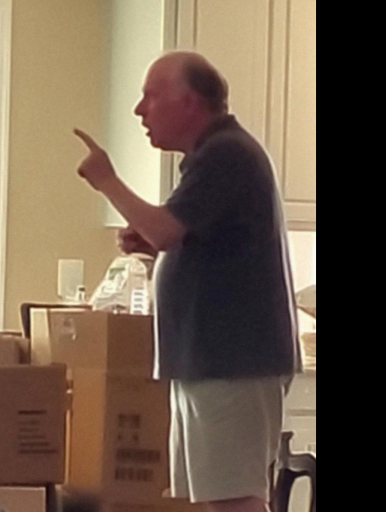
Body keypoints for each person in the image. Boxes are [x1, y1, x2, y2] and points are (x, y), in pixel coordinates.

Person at [73, 52, 300, 512]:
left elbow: (165, 230)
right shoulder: (216, 155)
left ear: (190, 102)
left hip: (232, 362)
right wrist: (154, 242)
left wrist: (106, 180)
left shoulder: (225, 154)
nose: (139, 110)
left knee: (235, 499)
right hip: (215, 360)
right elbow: (183, 235)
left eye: (151, 97)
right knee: (221, 497)